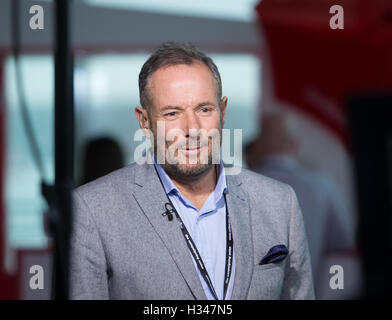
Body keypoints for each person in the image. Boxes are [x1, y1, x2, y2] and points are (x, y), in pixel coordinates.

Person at [70, 42, 314, 300]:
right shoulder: (93, 210)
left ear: (222, 112)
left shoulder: (279, 203)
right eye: (173, 113)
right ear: (144, 121)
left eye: (204, 109)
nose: (192, 128)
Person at [245, 113, 355, 290]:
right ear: (294, 144)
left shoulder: (233, 187)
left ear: (259, 145)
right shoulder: (322, 186)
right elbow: (343, 242)